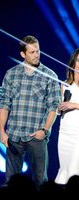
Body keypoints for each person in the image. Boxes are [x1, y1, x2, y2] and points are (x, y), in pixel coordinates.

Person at [0, 35, 61, 188]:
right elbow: (5, 103)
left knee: (40, 181)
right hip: (14, 134)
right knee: (10, 181)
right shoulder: (11, 74)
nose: (36, 55)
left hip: (37, 136)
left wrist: (44, 130)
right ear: (23, 54)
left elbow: (54, 107)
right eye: (32, 52)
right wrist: (1, 130)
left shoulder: (50, 76)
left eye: (37, 51)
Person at [55, 48, 79, 185]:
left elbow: (72, 105)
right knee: (64, 168)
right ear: (73, 63)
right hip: (64, 133)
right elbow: (60, 108)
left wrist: (74, 105)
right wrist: (60, 108)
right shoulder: (65, 85)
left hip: (78, 133)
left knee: (74, 169)